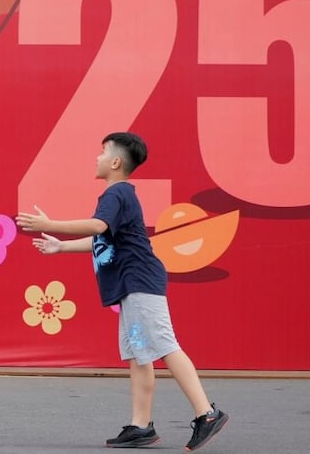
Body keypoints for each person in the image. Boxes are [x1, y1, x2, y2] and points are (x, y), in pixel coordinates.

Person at [16, 132, 228, 452]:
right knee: (139, 353)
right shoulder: (119, 196)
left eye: (102, 153)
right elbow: (104, 239)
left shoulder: (116, 194)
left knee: (165, 345)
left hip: (140, 283)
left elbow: (98, 227)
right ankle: (140, 426)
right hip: (131, 287)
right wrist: (61, 247)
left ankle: (207, 413)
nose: (96, 158)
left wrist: (51, 222)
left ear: (116, 162)